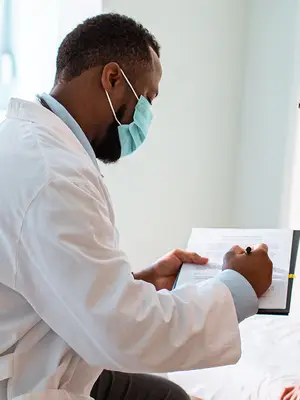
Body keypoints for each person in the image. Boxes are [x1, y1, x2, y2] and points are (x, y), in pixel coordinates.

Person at [0, 13, 273, 400]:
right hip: (28, 382)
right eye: (147, 98)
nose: (146, 118)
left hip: (51, 350)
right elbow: (123, 333)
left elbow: (58, 280)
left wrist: (139, 282)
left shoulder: (27, 141)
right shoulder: (52, 177)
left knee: (171, 397)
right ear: (112, 79)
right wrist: (238, 288)